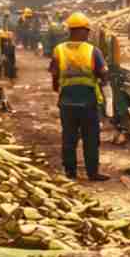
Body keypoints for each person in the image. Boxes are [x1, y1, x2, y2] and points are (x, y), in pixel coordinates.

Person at [49, 11, 110, 182]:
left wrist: (59, 90)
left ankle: (70, 172)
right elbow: (104, 75)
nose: (88, 34)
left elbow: (54, 75)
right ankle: (93, 173)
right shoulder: (93, 51)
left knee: (69, 138)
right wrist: (107, 95)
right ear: (81, 30)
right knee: (91, 138)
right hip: (88, 102)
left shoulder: (59, 50)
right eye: (87, 30)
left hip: (67, 101)